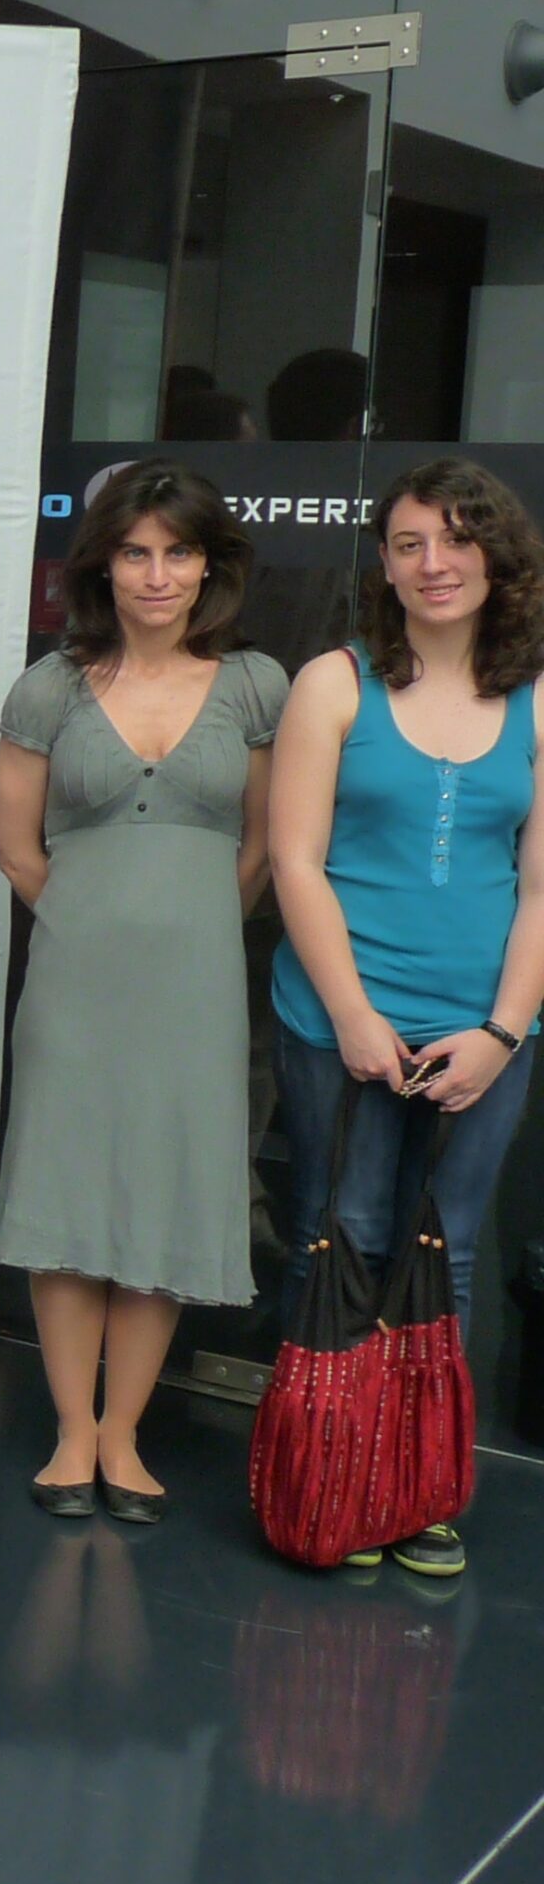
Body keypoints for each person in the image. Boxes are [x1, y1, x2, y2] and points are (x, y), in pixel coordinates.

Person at [0, 464, 283, 1520]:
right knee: (68, 1191)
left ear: (208, 565)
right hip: (74, 981)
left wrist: (191, 920)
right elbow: (14, 846)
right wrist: (86, 920)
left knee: (160, 1195)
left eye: (176, 552)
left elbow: (262, 848)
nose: (155, 575)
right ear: (101, 564)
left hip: (197, 986)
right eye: (133, 552)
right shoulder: (51, 685)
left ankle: (124, 1433)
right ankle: (72, 1430)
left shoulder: (257, 684)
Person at [269, 457, 544, 1579]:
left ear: (497, 558)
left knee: (450, 1255)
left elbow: (540, 888)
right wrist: (350, 1014)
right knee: (338, 1234)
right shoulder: (331, 683)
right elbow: (292, 857)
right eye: (410, 542)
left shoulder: (537, 697)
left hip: (484, 1025)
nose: (434, 562)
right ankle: (323, 1479)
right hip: (338, 1019)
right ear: (381, 562)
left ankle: (416, 1488)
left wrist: (502, 1032)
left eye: (457, 539)